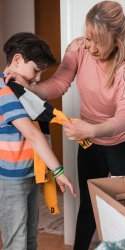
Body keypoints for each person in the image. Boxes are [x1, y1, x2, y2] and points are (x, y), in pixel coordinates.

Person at [7, 1, 125, 249]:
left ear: (114, 39)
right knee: (88, 204)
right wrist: (28, 88)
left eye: (95, 40)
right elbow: (59, 83)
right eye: (87, 36)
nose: (87, 44)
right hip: (90, 141)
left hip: (123, 141)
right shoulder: (79, 47)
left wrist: (92, 129)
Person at [0, 32, 76, 250]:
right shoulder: (4, 91)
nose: (38, 78)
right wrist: (59, 172)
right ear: (17, 60)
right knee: (16, 241)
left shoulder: (20, 92)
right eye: (36, 69)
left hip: (30, 174)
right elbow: (33, 135)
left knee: (31, 237)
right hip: (11, 180)